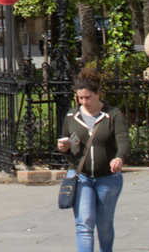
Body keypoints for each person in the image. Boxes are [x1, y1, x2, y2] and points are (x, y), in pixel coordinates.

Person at [57, 67, 130, 252]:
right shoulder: (72, 116)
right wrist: (64, 147)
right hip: (80, 176)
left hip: (108, 178)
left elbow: (123, 140)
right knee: (84, 224)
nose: (84, 102)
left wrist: (119, 158)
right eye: (80, 98)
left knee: (104, 225)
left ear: (98, 93)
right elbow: (66, 141)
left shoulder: (112, 115)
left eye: (88, 97)